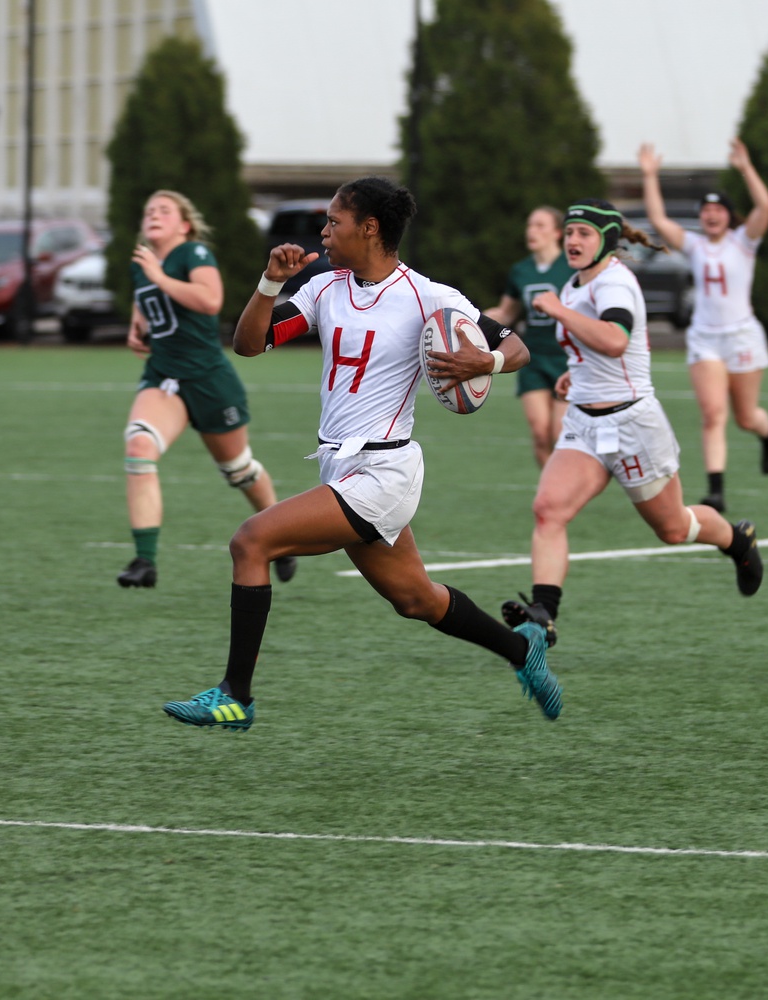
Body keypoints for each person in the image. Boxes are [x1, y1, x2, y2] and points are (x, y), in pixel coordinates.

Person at [161, 177, 562, 731]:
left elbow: (514, 346)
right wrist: (269, 284)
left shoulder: (427, 296)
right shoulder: (325, 289)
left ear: (369, 228)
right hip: (341, 467)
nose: (323, 233)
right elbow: (250, 343)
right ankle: (523, 650)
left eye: (334, 222)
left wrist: (483, 364)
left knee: (251, 542)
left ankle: (236, 696)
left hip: (385, 472)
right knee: (418, 600)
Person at [502, 199, 764, 641]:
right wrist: (574, 372)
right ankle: (544, 612)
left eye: (584, 233)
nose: (572, 240)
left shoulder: (614, 283)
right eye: (569, 233)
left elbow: (616, 340)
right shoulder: (573, 284)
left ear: (606, 239)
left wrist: (559, 312)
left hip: (633, 426)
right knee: (548, 509)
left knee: (674, 528)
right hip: (585, 423)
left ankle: (737, 541)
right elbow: (593, 347)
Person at [118, 190, 295, 589]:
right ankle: (144, 561)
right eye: (149, 210)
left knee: (238, 470)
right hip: (164, 375)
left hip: (209, 379)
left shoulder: (193, 254)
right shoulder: (142, 262)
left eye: (164, 210)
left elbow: (210, 300)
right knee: (139, 446)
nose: (154, 215)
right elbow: (145, 297)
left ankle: (283, 540)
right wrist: (137, 325)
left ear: (184, 224)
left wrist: (160, 277)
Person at [639, 138, 768, 513]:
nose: (711, 215)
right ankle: (716, 490)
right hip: (705, 338)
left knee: (746, 417)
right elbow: (658, 221)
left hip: (742, 336)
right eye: (706, 210)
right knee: (713, 414)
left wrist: (746, 168)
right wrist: (650, 175)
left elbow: (766, 206)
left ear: (729, 215)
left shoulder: (743, 242)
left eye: (718, 209)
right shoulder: (696, 246)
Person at [483, 206, 575, 467]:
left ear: (558, 232)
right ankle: (554, 497)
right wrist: (469, 319)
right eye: (529, 225)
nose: (531, 231)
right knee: (540, 433)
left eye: (540, 225)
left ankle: (563, 494)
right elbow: (507, 312)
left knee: (559, 434)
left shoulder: (571, 267)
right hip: (533, 357)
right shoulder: (520, 270)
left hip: (566, 359)